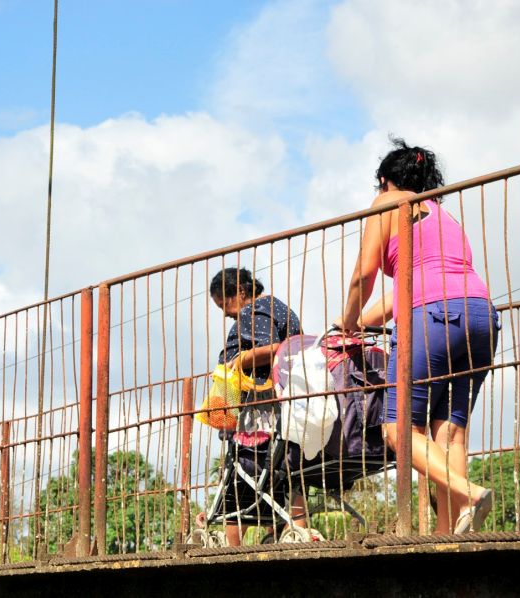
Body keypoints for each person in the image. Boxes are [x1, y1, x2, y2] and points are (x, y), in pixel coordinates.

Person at [335, 139, 497, 534]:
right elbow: (407, 290)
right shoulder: (443, 214)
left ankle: (471, 494)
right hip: (481, 315)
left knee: (398, 430)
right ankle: (451, 533)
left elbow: (364, 274)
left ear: (384, 181)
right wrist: (360, 324)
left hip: (434, 319)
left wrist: (346, 321)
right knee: (451, 434)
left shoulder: (389, 202)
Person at [210, 267, 304, 545]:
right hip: (288, 409)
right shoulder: (280, 308)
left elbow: (275, 348)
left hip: (259, 410)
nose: (226, 313)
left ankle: (229, 551)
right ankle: (295, 530)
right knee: (289, 470)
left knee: (236, 475)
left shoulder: (255, 312)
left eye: (224, 304)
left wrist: (236, 361)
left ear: (240, 291)